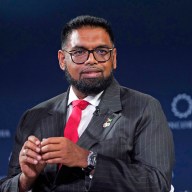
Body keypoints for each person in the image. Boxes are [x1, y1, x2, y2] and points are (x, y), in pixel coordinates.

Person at [0, 15, 174, 192]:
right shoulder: (34, 116)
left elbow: (157, 183)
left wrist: (88, 160)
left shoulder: (143, 108)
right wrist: (25, 180)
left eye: (101, 51)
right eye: (79, 52)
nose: (91, 60)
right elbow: (8, 186)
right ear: (62, 60)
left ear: (113, 58)